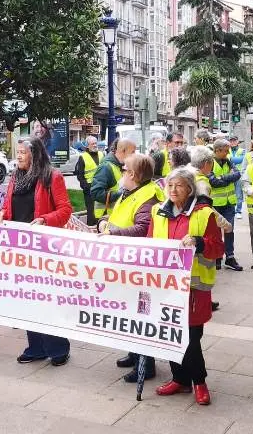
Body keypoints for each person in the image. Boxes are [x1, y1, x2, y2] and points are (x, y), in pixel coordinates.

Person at [0, 137, 73, 366]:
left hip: (44, 249)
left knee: (46, 299)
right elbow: (10, 206)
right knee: (27, 299)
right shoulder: (15, 178)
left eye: (22, 152)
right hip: (20, 248)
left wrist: (44, 220)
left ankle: (59, 349)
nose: (17, 156)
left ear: (35, 154)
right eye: (16, 152)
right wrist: (2, 213)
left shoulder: (52, 176)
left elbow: (65, 209)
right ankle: (36, 347)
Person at [148, 168, 223, 406]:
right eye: (170, 185)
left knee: (190, 338)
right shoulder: (157, 212)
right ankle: (180, 379)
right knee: (170, 334)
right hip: (165, 286)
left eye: (178, 186)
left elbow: (218, 248)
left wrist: (199, 243)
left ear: (189, 189)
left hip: (194, 288)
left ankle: (199, 382)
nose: (173, 190)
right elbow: (149, 244)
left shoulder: (204, 214)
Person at [99, 153, 164, 383]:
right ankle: (134, 353)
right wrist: (105, 223)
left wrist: (113, 232)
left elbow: (142, 229)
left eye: (124, 169)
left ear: (134, 175)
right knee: (128, 310)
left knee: (140, 314)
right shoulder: (132, 192)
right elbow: (120, 217)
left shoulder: (148, 196)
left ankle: (145, 364)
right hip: (125, 261)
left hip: (139, 264)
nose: (121, 172)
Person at [209, 139, 243, 271]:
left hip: (229, 203)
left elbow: (237, 174)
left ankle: (230, 257)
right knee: (216, 232)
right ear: (217, 151)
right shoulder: (210, 162)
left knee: (229, 230)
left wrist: (222, 178)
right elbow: (213, 182)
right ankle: (217, 257)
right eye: (226, 150)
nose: (228, 153)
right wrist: (228, 178)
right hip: (216, 204)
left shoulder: (227, 161)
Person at [91, 138, 136, 219]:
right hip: (105, 218)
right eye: (132, 152)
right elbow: (96, 193)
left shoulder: (121, 165)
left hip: (116, 216)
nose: (134, 155)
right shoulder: (106, 167)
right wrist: (122, 194)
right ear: (123, 151)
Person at [73, 135, 103, 225]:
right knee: (91, 211)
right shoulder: (83, 157)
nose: (95, 145)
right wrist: (86, 186)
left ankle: (100, 227)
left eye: (95, 143)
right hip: (89, 189)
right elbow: (80, 175)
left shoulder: (101, 154)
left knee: (101, 210)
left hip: (101, 187)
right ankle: (91, 229)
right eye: (92, 144)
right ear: (87, 146)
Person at [228, 136, 246, 218]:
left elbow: (242, 159)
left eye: (234, 141)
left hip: (239, 174)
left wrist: (231, 159)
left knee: (238, 193)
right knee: (231, 192)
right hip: (230, 174)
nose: (232, 142)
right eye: (231, 141)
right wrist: (234, 159)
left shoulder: (242, 150)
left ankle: (238, 211)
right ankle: (232, 209)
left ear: (237, 141)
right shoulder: (227, 150)